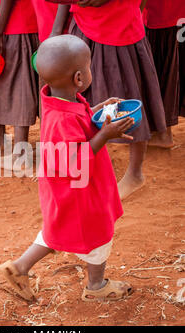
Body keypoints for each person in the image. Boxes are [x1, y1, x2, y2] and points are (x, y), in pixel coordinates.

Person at [0, 35, 134, 302]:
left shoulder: (59, 101)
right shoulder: (63, 117)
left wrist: (98, 110)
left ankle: (20, 267)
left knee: (57, 228)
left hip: (64, 189)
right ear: (79, 78)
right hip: (80, 191)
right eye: (89, 66)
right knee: (98, 236)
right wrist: (104, 135)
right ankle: (96, 287)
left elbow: (78, 123)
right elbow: (74, 158)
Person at [50, 0, 167, 201]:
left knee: (129, 98)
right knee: (79, 96)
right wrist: (56, 29)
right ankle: (82, 165)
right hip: (84, 25)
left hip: (121, 27)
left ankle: (135, 173)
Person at [0, 0, 39, 167]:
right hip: (27, 20)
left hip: (18, 23)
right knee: (13, 83)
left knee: (20, 85)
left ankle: (20, 153)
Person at [143, 0, 185, 148]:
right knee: (176, 67)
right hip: (176, 15)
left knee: (162, 72)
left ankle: (163, 133)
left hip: (163, 16)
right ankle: (163, 132)